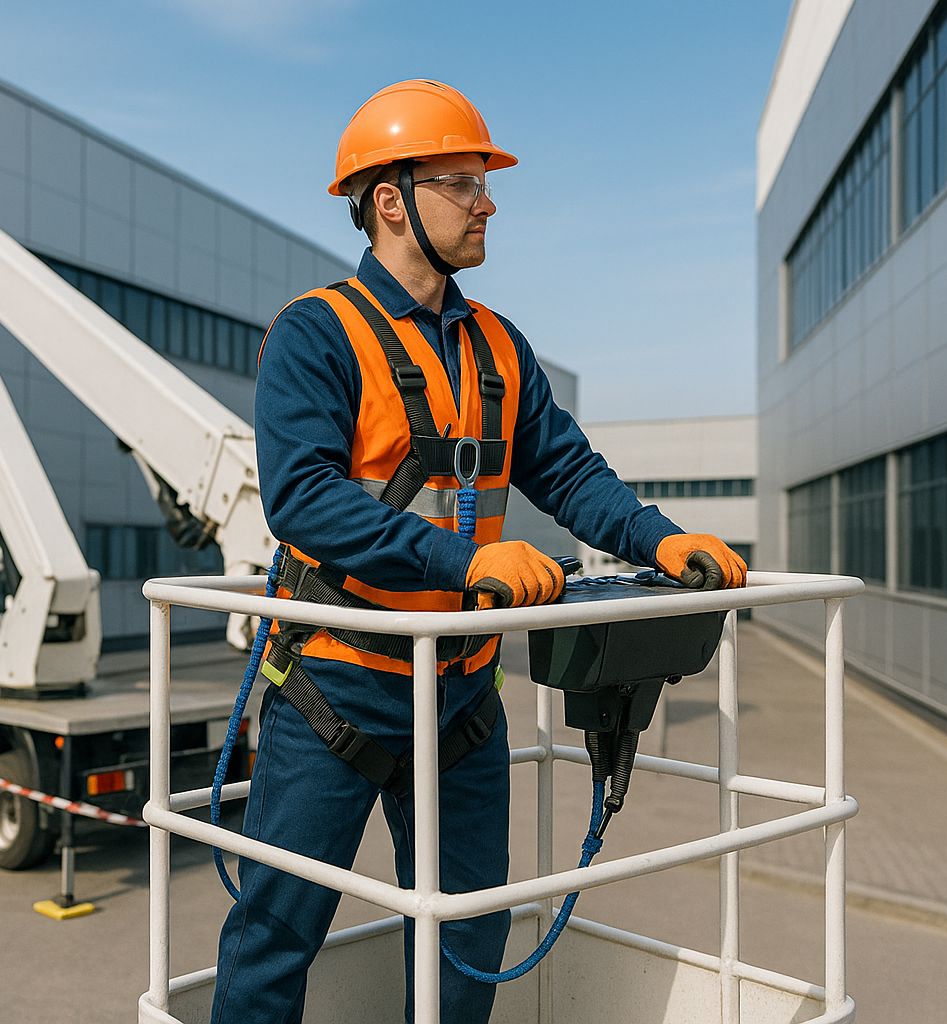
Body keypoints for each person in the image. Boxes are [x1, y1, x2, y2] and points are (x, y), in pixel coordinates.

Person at [209, 79, 747, 1024]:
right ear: (391, 201)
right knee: (276, 938)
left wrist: (662, 540)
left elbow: (567, 472)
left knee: (468, 934)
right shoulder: (316, 333)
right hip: (335, 688)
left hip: (460, 697)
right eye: (462, 183)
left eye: (483, 182)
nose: (486, 202)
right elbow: (303, 499)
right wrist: (465, 565)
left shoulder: (498, 344)